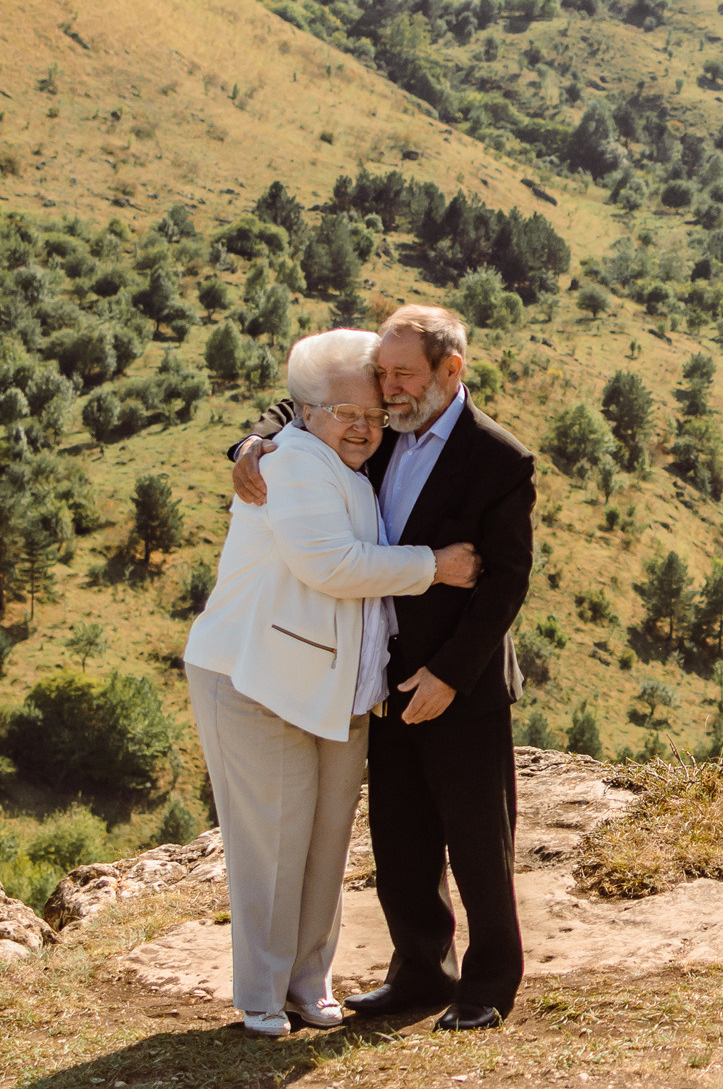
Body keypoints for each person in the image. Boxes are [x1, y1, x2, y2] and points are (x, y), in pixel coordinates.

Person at [231, 303, 536, 1031]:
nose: (387, 389)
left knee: (478, 843)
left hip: (461, 685)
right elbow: (299, 411)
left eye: (403, 374)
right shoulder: (381, 429)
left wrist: (451, 676)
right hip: (384, 677)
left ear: (450, 370)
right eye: (381, 374)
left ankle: (488, 986)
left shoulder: (499, 457)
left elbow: (506, 583)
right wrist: (254, 439)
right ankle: (420, 974)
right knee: (402, 842)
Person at [183, 328, 480, 1038]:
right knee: (270, 845)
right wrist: (434, 566)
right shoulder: (290, 462)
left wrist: (259, 434)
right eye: (347, 414)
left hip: (337, 690)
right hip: (255, 677)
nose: (365, 427)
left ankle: (308, 983)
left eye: (374, 415)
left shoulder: (351, 459)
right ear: (305, 411)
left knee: (323, 845)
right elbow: (331, 565)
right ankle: (259, 994)